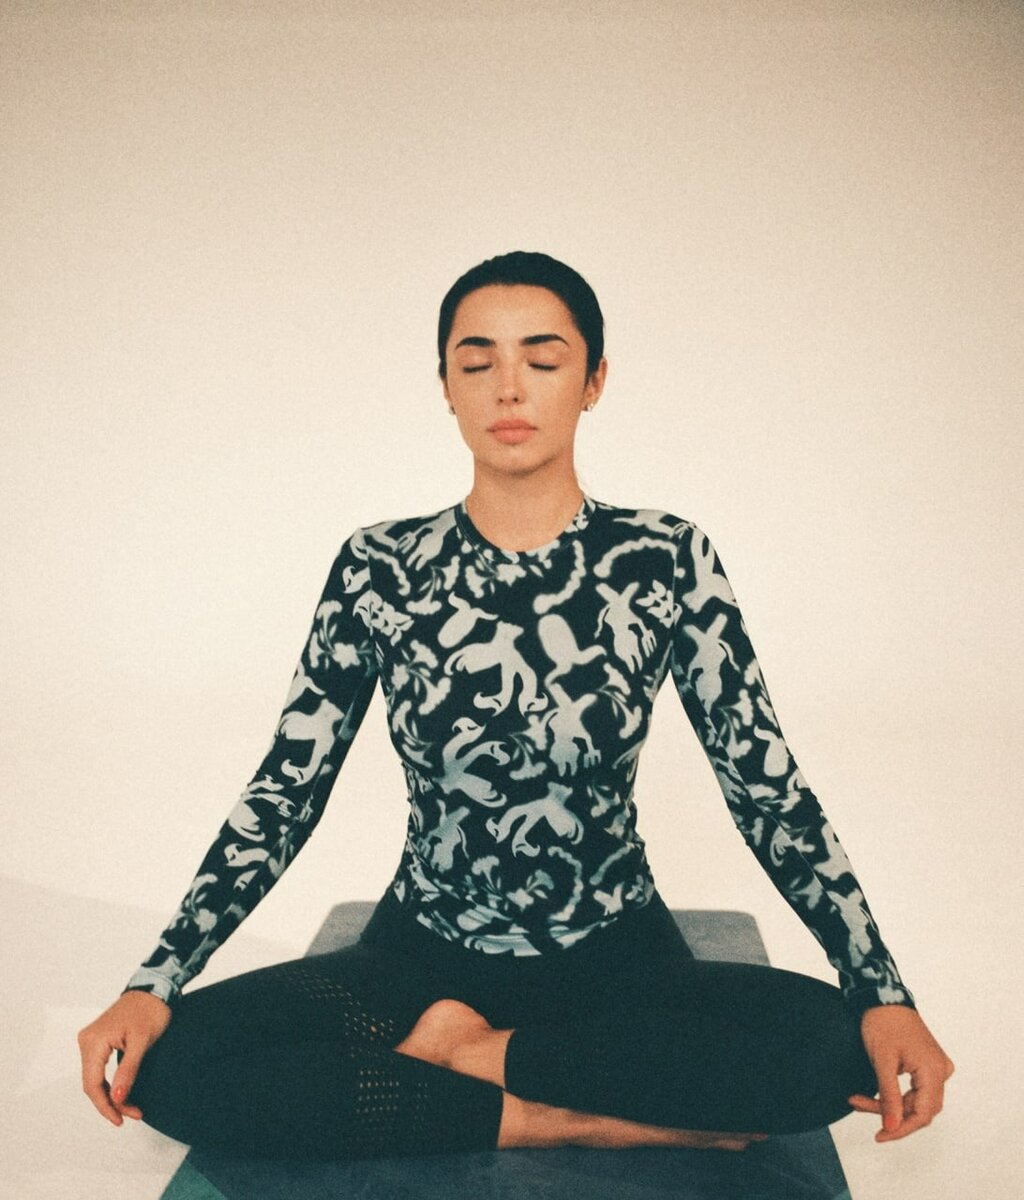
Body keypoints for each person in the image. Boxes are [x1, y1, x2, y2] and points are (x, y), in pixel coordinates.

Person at [78, 251, 953, 1161]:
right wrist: (155, 980)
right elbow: (287, 788)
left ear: (593, 381)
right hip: (418, 960)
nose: (509, 388)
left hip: (616, 957)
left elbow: (765, 787)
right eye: (476, 362)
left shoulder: (665, 558)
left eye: (542, 359)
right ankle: (566, 1114)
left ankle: (471, 1061)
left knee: (829, 1053)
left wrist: (882, 990)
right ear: (446, 388)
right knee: (170, 1066)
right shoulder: (380, 567)